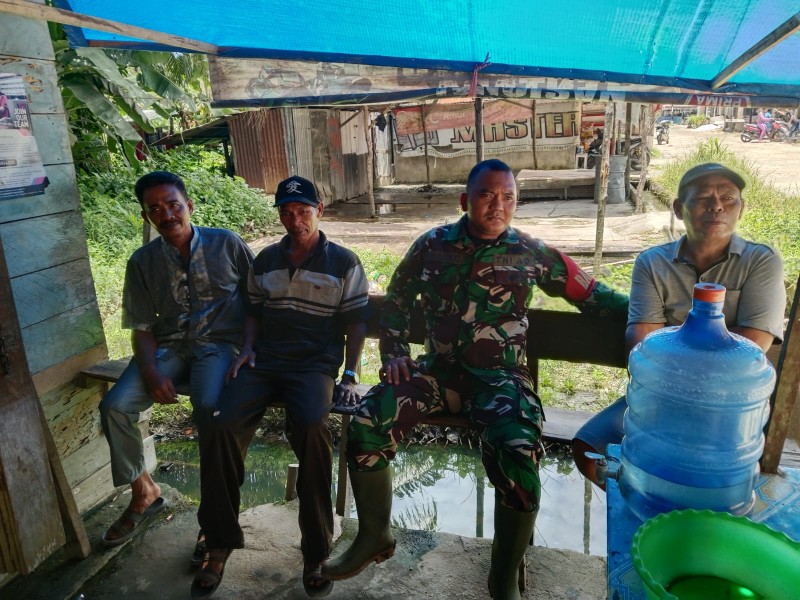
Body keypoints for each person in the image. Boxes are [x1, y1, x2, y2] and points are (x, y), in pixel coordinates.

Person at [321, 159, 628, 600]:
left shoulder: (531, 251)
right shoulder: (433, 245)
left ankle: (502, 577)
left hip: (501, 381)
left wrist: (655, 317)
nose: (497, 205)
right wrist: (394, 353)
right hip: (437, 372)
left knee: (519, 454)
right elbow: (397, 301)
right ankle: (374, 536)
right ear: (466, 200)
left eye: (508, 196)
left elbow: (592, 294)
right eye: (487, 194)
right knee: (368, 421)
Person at [191, 175, 370, 599]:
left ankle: (315, 551)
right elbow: (252, 310)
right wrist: (248, 349)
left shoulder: (344, 262)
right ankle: (218, 543)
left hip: (313, 366)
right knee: (220, 425)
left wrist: (350, 373)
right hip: (265, 362)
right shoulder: (266, 259)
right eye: (287, 213)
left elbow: (356, 322)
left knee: (311, 427)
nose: (296, 220)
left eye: (304, 211)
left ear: (319, 211)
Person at [572, 163, 786, 486]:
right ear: (677, 208)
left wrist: (674, 364)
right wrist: (679, 384)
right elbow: (641, 344)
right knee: (588, 451)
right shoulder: (652, 264)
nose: (717, 205)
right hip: (661, 398)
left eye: (729, 198)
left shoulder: (761, 262)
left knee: (706, 475)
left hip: (730, 408)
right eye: (703, 197)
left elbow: (752, 348)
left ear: (741, 210)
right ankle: (639, 504)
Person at [99, 171, 253, 550]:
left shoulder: (227, 243)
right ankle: (144, 491)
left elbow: (258, 301)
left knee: (209, 410)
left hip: (218, 346)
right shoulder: (142, 262)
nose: (166, 214)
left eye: (172, 204)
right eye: (154, 208)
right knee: (116, 407)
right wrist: (150, 371)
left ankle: (213, 520)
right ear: (146, 216)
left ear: (189, 206)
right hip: (168, 349)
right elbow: (141, 325)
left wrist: (251, 348)